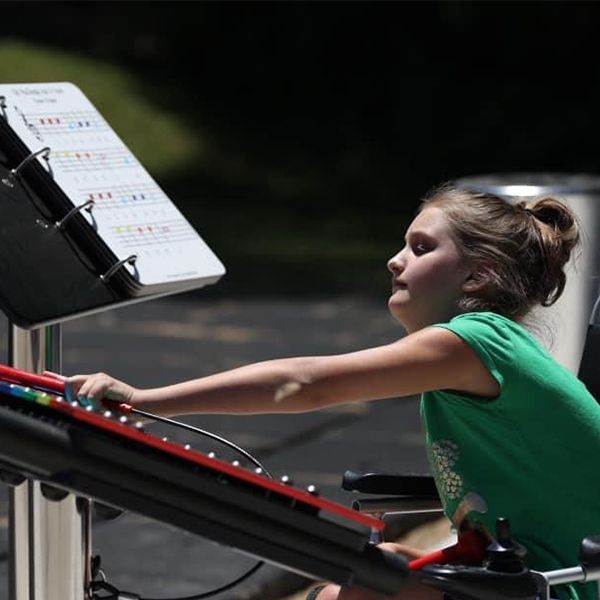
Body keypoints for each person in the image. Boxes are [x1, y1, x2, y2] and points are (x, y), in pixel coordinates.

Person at [61, 184, 600, 600]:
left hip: (566, 584)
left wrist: (145, 399)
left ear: (477, 277)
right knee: (355, 578)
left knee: (354, 588)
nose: (395, 260)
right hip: (525, 570)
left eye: (420, 247)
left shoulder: (474, 342)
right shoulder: (478, 351)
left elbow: (306, 382)